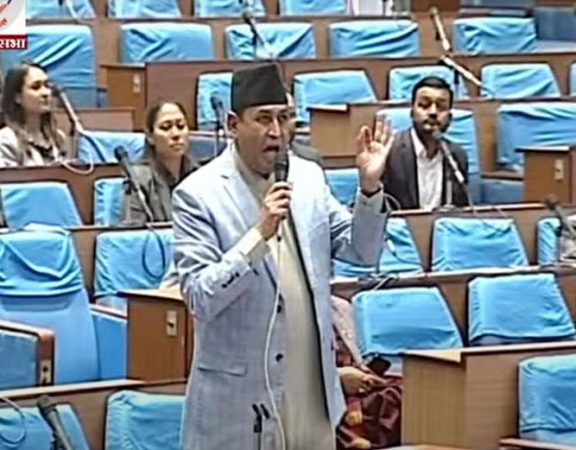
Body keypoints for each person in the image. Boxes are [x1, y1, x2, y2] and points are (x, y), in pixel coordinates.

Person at [172, 63, 394, 450]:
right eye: (263, 119)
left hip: (311, 393)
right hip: (241, 404)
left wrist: (370, 190)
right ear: (233, 124)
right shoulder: (198, 195)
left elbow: (363, 251)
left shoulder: (308, 177)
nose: (276, 132)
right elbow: (199, 298)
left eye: (284, 118)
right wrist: (258, 235)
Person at [381, 76, 469, 210]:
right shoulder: (390, 152)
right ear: (412, 113)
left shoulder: (457, 156)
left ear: (450, 118)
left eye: (441, 107)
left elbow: (462, 208)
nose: (433, 112)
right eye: (424, 105)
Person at [332, 296, 402, 450]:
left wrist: (363, 374)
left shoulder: (339, 307)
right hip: (324, 389)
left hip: (356, 380)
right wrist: (338, 377)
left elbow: (355, 358)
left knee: (397, 393)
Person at [120, 101, 197, 225]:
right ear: (150, 137)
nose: (176, 134)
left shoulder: (201, 175)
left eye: (181, 126)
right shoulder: (137, 180)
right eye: (166, 127)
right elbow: (133, 231)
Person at [0, 62, 69, 167]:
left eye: (47, 85)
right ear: (17, 97)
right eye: (36, 87)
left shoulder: (58, 138)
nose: (46, 93)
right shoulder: (6, 139)